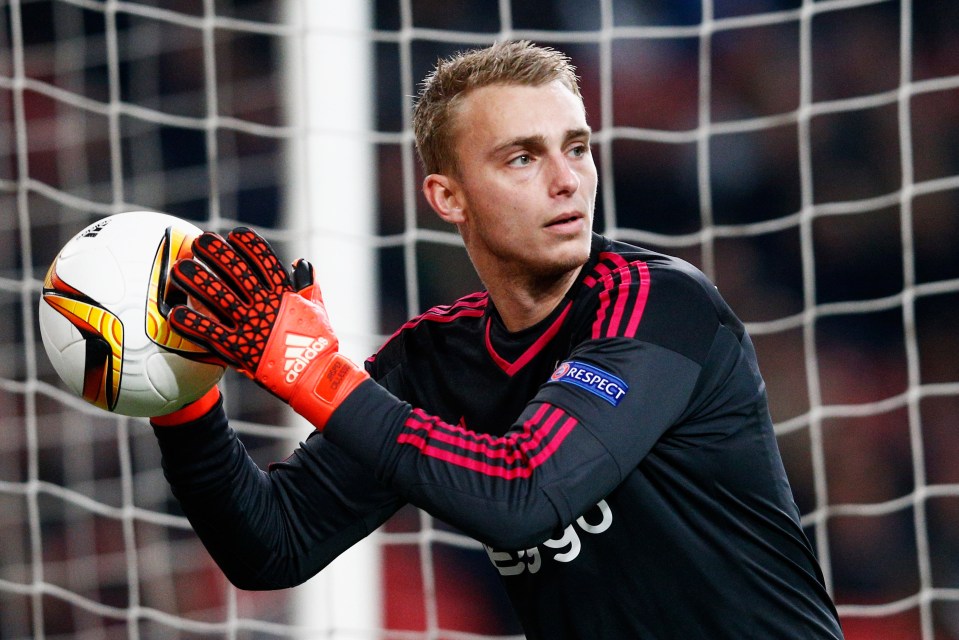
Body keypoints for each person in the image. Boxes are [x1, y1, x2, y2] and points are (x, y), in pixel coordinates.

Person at [151, 40, 845, 639]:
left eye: (576, 148)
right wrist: (182, 397)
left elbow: (521, 496)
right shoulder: (435, 359)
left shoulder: (660, 306)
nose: (566, 179)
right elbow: (272, 547)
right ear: (447, 197)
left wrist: (314, 373)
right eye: (522, 158)